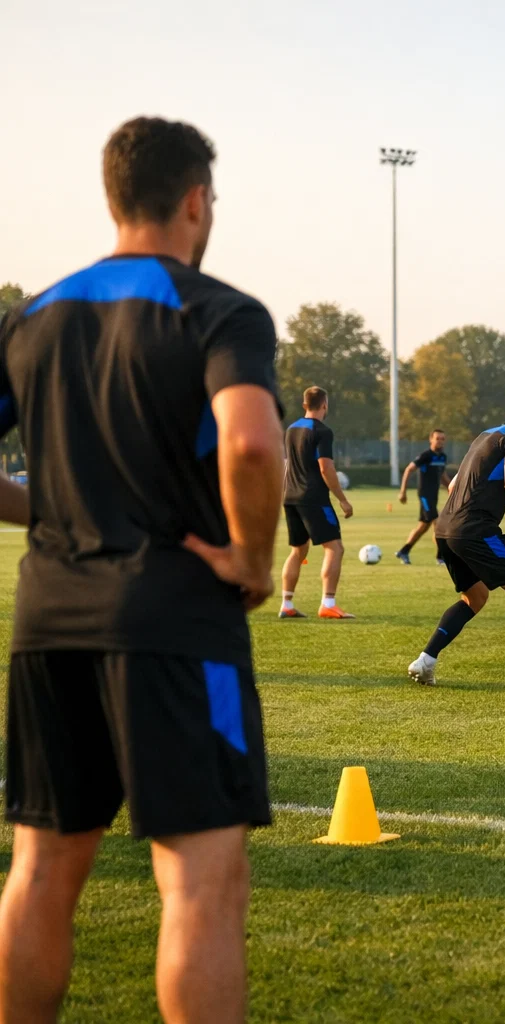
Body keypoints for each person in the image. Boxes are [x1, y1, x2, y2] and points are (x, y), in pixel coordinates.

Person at [0, 116, 282, 1024]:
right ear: (197, 200)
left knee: (40, 868)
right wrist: (250, 554)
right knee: (202, 883)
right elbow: (248, 438)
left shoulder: (31, 318)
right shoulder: (217, 311)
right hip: (175, 622)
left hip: (48, 619)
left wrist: (55, 511)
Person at [407, 387, 505, 694]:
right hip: (474, 529)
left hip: (445, 527)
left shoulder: (486, 435)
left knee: (475, 597)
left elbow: (455, 482)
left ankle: (425, 661)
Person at [278, 386, 354, 619]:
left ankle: (286, 604)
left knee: (298, 550)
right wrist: (342, 499)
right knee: (335, 548)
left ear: (304, 405)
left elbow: (285, 463)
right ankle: (328, 603)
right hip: (313, 498)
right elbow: (325, 467)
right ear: (324, 405)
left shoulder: (291, 429)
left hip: (290, 496)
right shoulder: (323, 431)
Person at [396, 428, 450, 565]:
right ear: (431, 439)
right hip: (425, 496)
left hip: (434, 496)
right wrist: (403, 491)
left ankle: (404, 551)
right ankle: (441, 557)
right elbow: (409, 469)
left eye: (442, 439)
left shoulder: (442, 457)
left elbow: (442, 476)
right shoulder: (426, 456)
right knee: (438, 524)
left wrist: (452, 489)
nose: (440, 441)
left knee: (423, 527)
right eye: (437, 438)